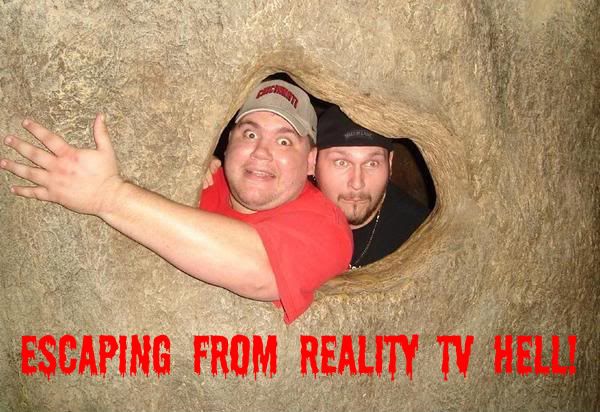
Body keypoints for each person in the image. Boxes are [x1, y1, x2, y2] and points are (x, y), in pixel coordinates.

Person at [0, 79, 353, 323]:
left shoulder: (326, 225)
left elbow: (260, 271)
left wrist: (108, 195)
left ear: (311, 161)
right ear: (227, 142)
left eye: (284, 141)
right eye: (249, 133)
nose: (261, 152)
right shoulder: (196, 180)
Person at [314, 106, 429, 269]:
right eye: (341, 163)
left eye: (371, 163)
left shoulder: (420, 235)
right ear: (313, 161)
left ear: (390, 163)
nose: (357, 183)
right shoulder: (289, 218)